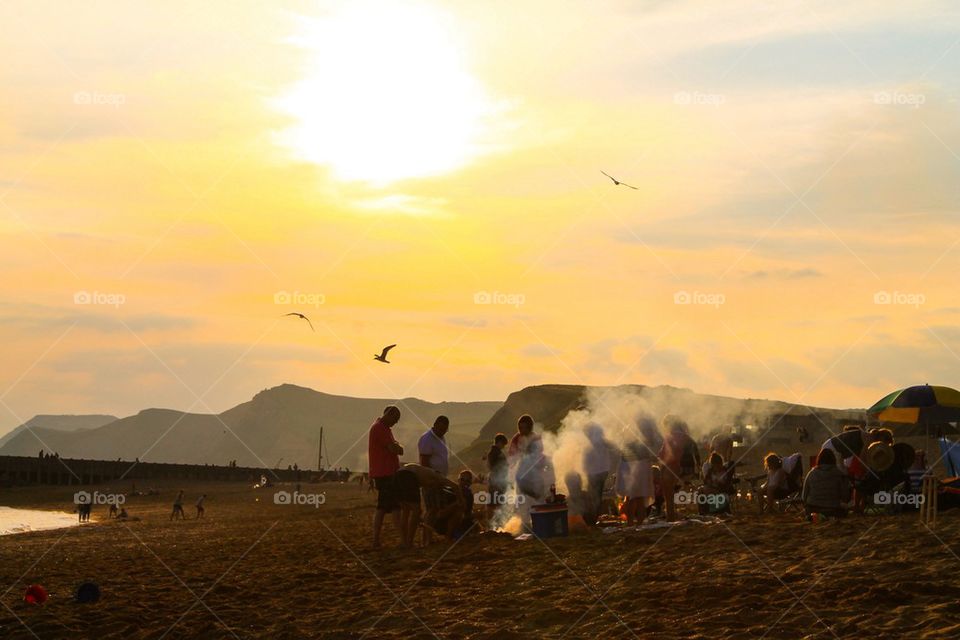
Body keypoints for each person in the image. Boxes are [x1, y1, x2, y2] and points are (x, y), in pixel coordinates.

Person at [396, 463, 466, 545]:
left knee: (406, 511)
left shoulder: (425, 477)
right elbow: (455, 487)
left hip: (397, 475)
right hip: (408, 475)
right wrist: (461, 500)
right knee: (417, 510)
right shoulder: (438, 476)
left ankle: (404, 541)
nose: (433, 487)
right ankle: (410, 541)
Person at [368, 405, 404, 549]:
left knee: (383, 507)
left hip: (385, 472)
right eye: (395, 419)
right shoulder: (380, 428)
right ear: (389, 415)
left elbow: (394, 447)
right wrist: (398, 447)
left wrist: (396, 447)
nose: (395, 423)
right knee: (393, 507)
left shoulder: (383, 428)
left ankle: (377, 540)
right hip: (385, 473)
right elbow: (393, 448)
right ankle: (402, 539)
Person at [617, 415, 661, 525]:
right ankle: (638, 522)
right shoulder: (644, 431)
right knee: (640, 497)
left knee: (631, 496)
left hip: (627, 464)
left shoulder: (627, 429)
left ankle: (631, 522)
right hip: (639, 465)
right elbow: (649, 444)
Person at [658, 415, 700, 522]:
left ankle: (670, 516)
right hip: (688, 470)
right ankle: (671, 515)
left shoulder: (671, 436)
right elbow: (696, 452)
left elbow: (665, 456)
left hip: (676, 468)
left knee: (667, 493)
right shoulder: (687, 437)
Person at [802, 448, 851, 519]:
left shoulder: (811, 473)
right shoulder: (839, 474)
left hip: (812, 509)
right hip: (833, 509)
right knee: (845, 510)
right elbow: (845, 497)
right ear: (833, 459)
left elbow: (804, 496)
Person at [509, 415, 547, 501]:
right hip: (521, 473)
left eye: (524, 427)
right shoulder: (516, 439)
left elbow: (541, 455)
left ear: (530, 427)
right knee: (522, 500)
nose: (522, 430)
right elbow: (511, 457)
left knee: (538, 498)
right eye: (520, 428)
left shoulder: (536, 438)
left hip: (535, 473)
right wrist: (510, 475)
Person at [582, 423, 613, 526]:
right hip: (600, 471)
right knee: (596, 496)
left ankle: (592, 519)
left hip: (596, 472)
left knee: (594, 496)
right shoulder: (601, 442)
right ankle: (593, 518)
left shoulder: (597, 441)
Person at [485, 433, 509, 518]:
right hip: (496, 482)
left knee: (495, 502)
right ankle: (493, 522)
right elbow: (494, 466)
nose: (503, 446)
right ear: (499, 442)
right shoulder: (495, 453)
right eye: (503, 444)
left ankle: (494, 522)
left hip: (497, 481)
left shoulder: (495, 452)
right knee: (496, 502)